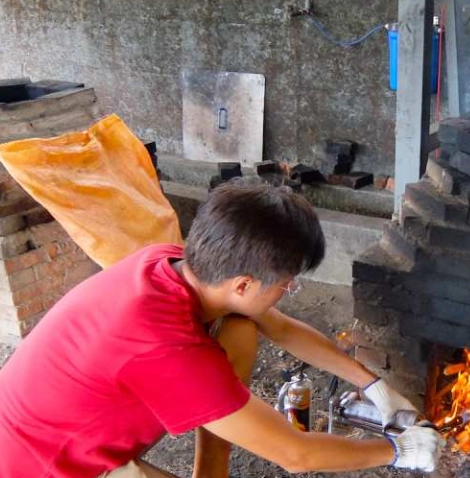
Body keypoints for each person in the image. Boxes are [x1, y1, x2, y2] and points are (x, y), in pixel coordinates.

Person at [0, 180, 444, 478]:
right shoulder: (167, 350)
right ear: (244, 283)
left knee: (240, 328)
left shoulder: (170, 262)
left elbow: (281, 328)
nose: (289, 290)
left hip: (46, 429)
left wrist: (374, 385)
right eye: (288, 284)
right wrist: (398, 451)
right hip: (46, 466)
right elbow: (295, 454)